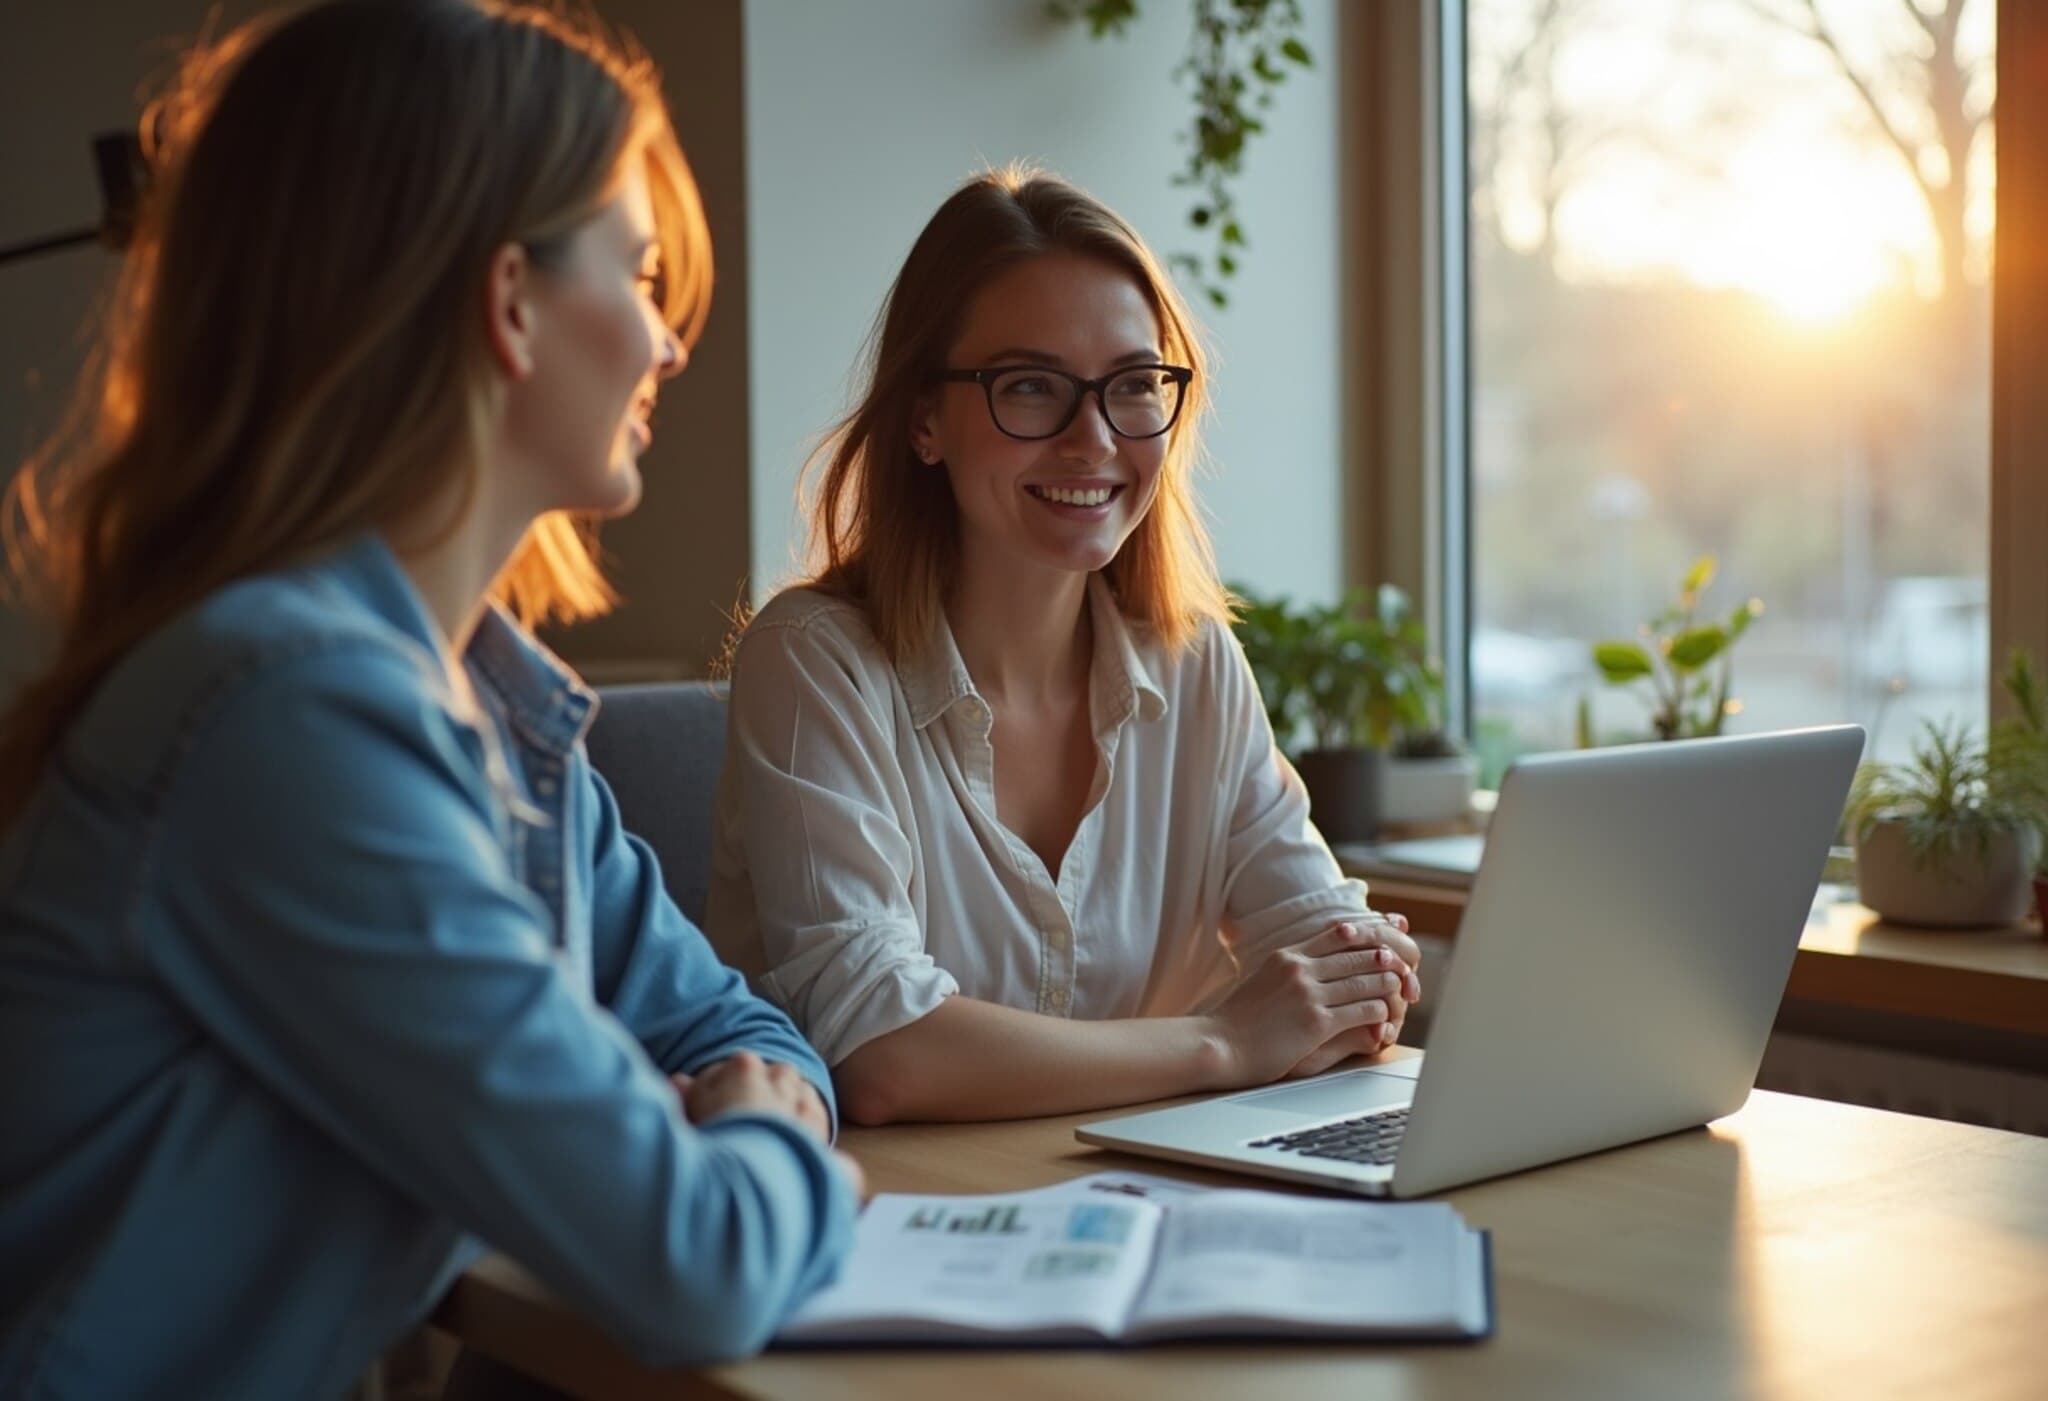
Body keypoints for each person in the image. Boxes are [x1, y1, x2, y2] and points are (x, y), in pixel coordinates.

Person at [0, 3, 860, 1395]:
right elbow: (690, 1261)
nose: (669, 344)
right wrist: (760, 1137)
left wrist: (750, 1101)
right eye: (640, 278)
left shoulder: (503, 712)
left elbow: (743, 1034)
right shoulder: (287, 716)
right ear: (510, 301)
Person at [706, 168, 1425, 1127]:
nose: (1093, 440)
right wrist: (1226, 1040)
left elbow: (1334, 964)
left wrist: (1361, 975)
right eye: (1031, 387)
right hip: (895, 1226)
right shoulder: (813, 663)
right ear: (924, 418)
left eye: (1133, 386)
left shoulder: (1194, 664)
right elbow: (883, 1051)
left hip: (1142, 1198)